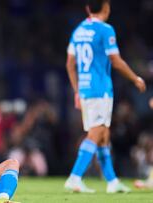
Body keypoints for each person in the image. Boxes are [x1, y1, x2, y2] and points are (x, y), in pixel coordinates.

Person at [64, 0, 146, 193]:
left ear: (87, 9)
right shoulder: (105, 29)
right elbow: (115, 61)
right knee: (97, 132)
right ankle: (75, 177)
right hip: (100, 89)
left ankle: (112, 181)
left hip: (85, 88)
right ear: (106, 8)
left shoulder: (78, 31)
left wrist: (77, 90)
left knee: (104, 134)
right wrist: (135, 79)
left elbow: (70, 64)